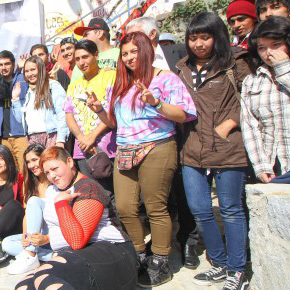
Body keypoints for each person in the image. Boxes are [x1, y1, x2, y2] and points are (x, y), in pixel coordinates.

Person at [88, 31, 197, 287]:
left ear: (146, 50)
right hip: (125, 149)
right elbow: (114, 123)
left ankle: (160, 260)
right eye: (124, 53)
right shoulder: (120, 83)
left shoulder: (165, 78)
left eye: (134, 52)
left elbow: (184, 114)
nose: (128, 58)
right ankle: (137, 254)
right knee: (124, 207)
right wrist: (100, 110)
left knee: (155, 206)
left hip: (158, 146)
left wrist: (155, 102)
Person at [176, 13, 252, 290]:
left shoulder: (235, 64)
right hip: (192, 147)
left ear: (216, 36)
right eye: (193, 38)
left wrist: (230, 124)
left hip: (228, 146)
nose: (198, 44)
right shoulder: (181, 67)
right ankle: (219, 263)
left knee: (231, 209)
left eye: (204, 37)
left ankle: (237, 269)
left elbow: (252, 99)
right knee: (200, 209)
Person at [14, 147, 137, 290]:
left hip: (112, 253)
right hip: (74, 256)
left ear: (70, 161)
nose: (52, 176)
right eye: (47, 172)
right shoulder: (51, 191)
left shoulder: (87, 188)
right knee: (24, 285)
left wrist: (61, 204)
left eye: (55, 168)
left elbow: (77, 241)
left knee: (45, 276)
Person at [3, 144, 65, 275]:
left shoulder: (56, 181)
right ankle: (51, 256)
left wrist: (46, 238)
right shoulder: (29, 183)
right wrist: (26, 235)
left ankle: (31, 254)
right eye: (28, 162)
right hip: (36, 236)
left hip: (53, 234)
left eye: (34, 160)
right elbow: (27, 214)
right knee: (6, 243)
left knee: (34, 200)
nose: (31, 165)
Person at [63, 40, 116, 191]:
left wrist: (92, 136)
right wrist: (81, 137)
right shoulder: (74, 85)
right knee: (92, 194)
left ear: (96, 55)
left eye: (85, 57)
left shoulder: (110, 76)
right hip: (82, 149)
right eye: (77, 58)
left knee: (111, 195)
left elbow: (112, 111)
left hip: (107, 147)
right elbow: (69, 114)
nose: (81, 62)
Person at [242, 16, 290, 182]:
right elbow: (250, 125)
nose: (269, 53)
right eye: (262, 48)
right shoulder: (252, 81)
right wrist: (261, 165)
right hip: (271, 164)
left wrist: (284, 69)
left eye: (276, 45)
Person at [12, 56, 68, 148]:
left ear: (41, 69)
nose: (30, 74)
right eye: (26, 71)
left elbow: (63, 114)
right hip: (32, 139)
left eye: (33, 70)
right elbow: (20, 119)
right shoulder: (29, 92)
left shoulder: (52, 86)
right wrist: (15, 99)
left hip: (51, 136)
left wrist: (61, 140)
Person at [0, 50, 29, 172]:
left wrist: (19, 70)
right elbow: (2, 92)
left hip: (21, 135)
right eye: (0, 65)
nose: (3, 67)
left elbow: (8, 90)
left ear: (13, 64)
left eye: (7, 64)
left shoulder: (23, 79)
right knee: (9, 173)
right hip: (4, 137)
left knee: (24, 171)